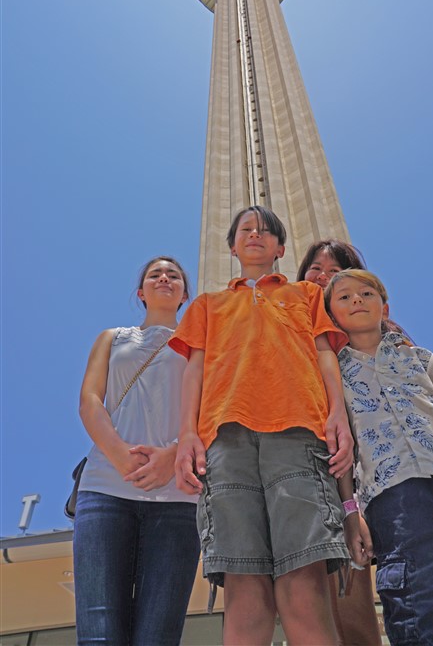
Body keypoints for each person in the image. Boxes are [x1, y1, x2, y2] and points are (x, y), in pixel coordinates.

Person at [170, 205, 354, 646]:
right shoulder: (207, 305)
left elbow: (326, 355)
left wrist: (337, 415)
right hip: (225, 441)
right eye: (246, 231)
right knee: (244, 587)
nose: (255, 235)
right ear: (232, 247)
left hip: (299, 432)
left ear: (281, 248)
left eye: (266, 231)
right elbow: (193, 371)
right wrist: (187, 436)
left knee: (304, 582)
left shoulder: (305, 296)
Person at [73, 257, 200, 646]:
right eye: (155, 274)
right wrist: (120, 455)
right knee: (99, 630)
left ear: (184, 294)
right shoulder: (113, 338)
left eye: (174, 275)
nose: (165, 277)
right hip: (106, 489)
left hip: (178, 496)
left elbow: (213, 410)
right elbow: (90, 400)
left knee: (158, 634)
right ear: (141, 293)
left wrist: (174, 455)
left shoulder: (201, 346)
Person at [324, 269, 433, 646]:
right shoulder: (333, 372)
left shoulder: (419, 357)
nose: (357, 300)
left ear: (385, 306)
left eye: (366, 293)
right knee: (422, 598)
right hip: (393, 495)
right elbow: (340, 448)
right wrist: (350, 511)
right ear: (331, 317)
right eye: (344, 297)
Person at [297, 240, 382, 646]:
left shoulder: (377, 340)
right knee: (310, 612)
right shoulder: (294, 336)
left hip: (366, 490)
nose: (324, 276)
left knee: (355, 613)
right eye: (315, 268)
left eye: (337, 269)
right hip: (300, 478)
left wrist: (352, 509)